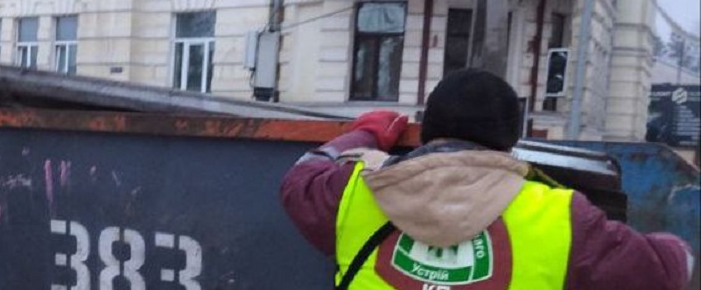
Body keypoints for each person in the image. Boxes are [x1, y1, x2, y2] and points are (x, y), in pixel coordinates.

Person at [280, 68, 695, 289]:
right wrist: (674, 245)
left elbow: (301, 176)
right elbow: (666, 273)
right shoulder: (561, 217)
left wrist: (367, 132)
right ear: (510, 144)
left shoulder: (355, 192)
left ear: (426, 132)